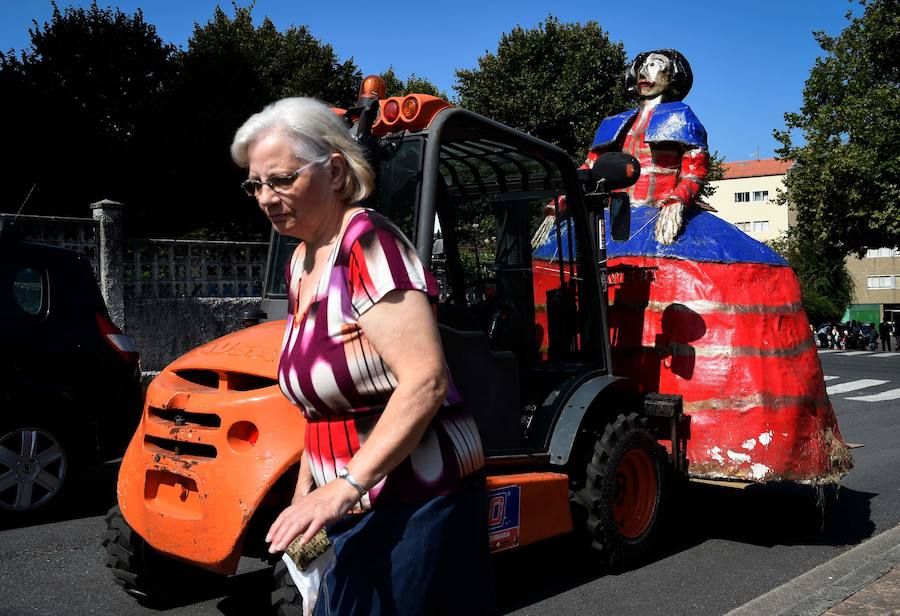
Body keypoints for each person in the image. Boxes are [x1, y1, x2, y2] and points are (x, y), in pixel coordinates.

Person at [230, 97, 494, 615]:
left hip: (415, 494)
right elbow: (321, 403)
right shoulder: (302, 260)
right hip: (353, 494)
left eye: (281, 180)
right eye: (255, 184)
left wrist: (343, 488)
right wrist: (307, 490)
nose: (266, 197)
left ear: (333, 170)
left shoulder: (368, 243)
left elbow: (425, 381)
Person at [587, 49, 709, 245]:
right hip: (618, 217)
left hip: (660, 212)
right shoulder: (616, 122)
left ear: (672, 75)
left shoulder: (681, 118)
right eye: (641, 67)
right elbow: (591, 166)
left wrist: (677, 201)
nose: (643, 72)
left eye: (654, 65)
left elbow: (694, 170)